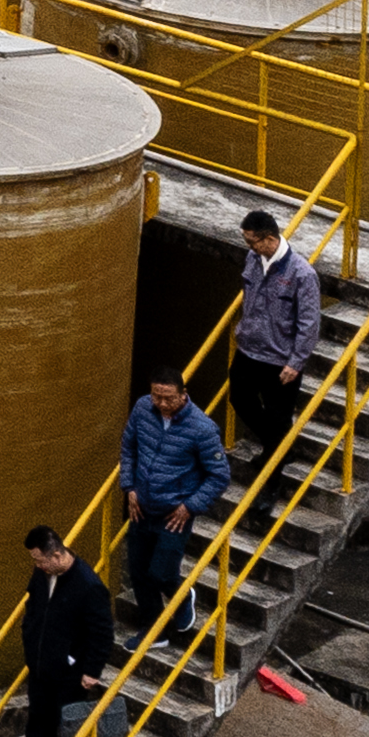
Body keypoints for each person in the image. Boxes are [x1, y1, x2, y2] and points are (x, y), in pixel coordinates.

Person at [119, 369, 234, 625]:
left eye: (168, 398)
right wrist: (129, 487)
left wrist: (190, 506)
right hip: (141, 507)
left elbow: (219, 475)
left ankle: (183, 598)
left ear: (184, 395)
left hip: (174, 514)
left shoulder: (202, 429)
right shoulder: (142, 409)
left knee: (161, 573)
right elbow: (129, 447)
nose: (161, 403)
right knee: (138, 573)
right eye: (156, 396)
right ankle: (153, 630)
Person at [14, 524, 112, 737]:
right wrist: (30, 640)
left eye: (40, 560)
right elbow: (33, 608)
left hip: (69, 671)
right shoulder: (42, 574)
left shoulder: (89, 586)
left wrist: (91, 670)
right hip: (41, 664)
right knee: (38, 723)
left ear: (56, 556)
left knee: (71, 723)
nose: (37, 565)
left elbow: (102, 632)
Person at [228, 213, 321, 466]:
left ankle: (272, 470)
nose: (249, 247)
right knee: (239, 398)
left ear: (269, 239)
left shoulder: (302, 274)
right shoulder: (253, 259)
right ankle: (278, 446)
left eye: (252, 242)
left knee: (278, 415)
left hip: (279, 359)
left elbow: (309, 322)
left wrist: (296, 362)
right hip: (248, 349)